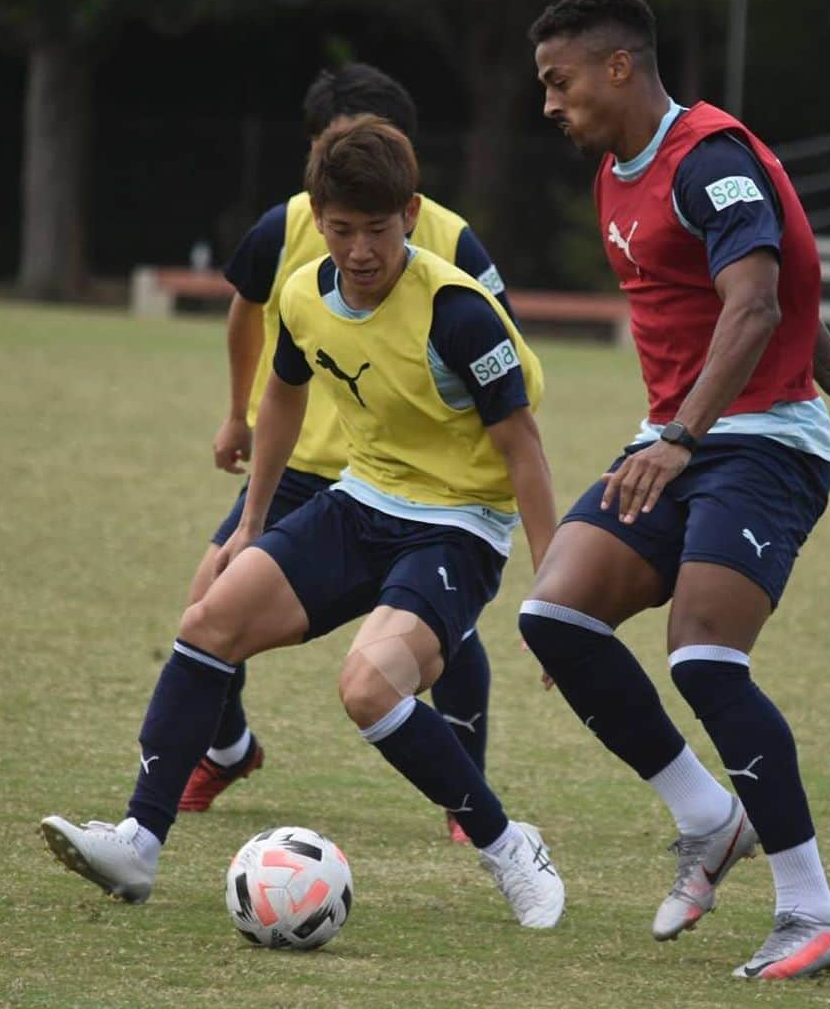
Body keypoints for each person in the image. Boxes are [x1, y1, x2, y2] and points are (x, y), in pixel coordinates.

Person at [41, 115, 565, 928]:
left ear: (411, 214)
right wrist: (251, 524)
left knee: (367, 687)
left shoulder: (458, 312)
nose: (360, 250)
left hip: (459, 524)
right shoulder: (302, 292)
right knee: (209, 618)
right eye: (344, 229)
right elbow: (283, 391)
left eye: (380, 231)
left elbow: (523, 448)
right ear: (317, 217)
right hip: (365, 499)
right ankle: (139, 842)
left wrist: (553, 596)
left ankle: (507, 845)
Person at [521, 0, 830, 979]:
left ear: (619, 65)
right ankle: (710, 819)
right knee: (557, 616)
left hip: (760, 446)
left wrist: (695, 430)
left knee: (703, 656)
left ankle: (814, 910)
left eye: (559, 80)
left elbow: (753, 305)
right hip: (683, 436)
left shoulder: (706, 160)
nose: (549, 102)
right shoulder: (620, 173)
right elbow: (764, 273)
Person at [181, 64, 515, 845]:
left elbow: (501, 341)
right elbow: (245, 313)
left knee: (444, 635)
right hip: (304, 466)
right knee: (209, 598)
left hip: (417, 481)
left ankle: (466, 793)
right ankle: (227, 749)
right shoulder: (291, 222)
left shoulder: (446, 234)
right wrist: (236, 412)